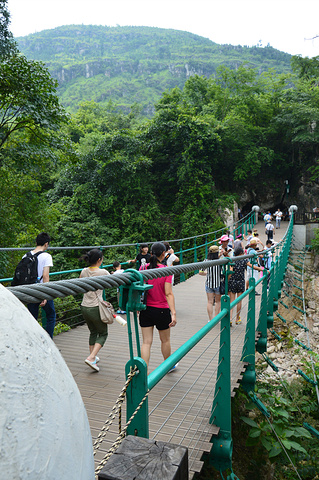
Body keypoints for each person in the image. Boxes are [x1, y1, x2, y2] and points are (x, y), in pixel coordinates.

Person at [138, 242, 177, 371]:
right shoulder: (166, 270)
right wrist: (174, 313)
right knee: (165, 340)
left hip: (146, 309)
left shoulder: (143, 269)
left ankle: (144, 371)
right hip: (161, 310)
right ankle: (168, 366)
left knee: (146, 342)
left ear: (151, 253)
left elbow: (140, 289)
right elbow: (168, 293)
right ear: (163, 254)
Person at [80, 249, 110, 372]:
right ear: (99, 260)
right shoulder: (103, 272)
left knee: (93, 332)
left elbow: (80, 284)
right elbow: (113, 282)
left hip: (84, 306)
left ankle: (93, 357)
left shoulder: (84, 271)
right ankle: (91, 357)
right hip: (96, 307)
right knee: (103, 333)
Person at [26, 232, 56, 339]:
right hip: (42, 290)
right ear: (46, 244)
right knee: (51, 316)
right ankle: (49, 342)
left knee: (32, 319)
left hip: (29, 290)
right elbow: (45, 276)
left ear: (36, 242)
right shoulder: (46, 256)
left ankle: (33, 342)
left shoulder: (26, 255)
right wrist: (45, 295)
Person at [199, 245, 223, 321]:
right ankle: (216, 318)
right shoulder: (220, 261)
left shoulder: (206, 261)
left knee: (209, 302)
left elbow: (200, 272)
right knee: (218, 301)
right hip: (218, 284)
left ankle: (210, 319)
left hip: (209, 284)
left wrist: (207, 273)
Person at [228, 247, 248, 325]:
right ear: (240, 253)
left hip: (232, 281)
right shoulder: (244, 260)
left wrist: (227, 280)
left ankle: (230, 318)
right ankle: (237, 319)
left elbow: (231, 270)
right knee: (239, 301)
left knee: (232, 301)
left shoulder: (232, 260)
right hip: (240, 282)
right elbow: (251, 265)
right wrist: (260, 269)